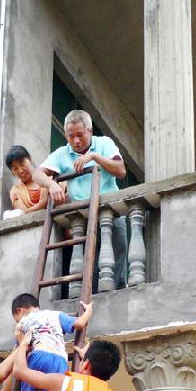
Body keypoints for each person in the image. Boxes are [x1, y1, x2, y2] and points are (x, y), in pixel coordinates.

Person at [33, 110, 128, 289]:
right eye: (71, 136)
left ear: (90, 130)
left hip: (110, 214)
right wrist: (52, 185)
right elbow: (38, 174)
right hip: (83, 219)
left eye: (80, 135)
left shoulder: (104, 143)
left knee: (116, 262)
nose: (76, 141)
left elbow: (121, 170)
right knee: (89, 267)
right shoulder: (62, 154)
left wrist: (93, 157)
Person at [11, 291, 93, 391]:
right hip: (59, 360)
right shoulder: (56, 315)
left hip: (38, 355)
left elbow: (22, 347)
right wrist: (88, 310)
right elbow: (80, 323)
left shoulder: (22, 323)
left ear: (20, 311)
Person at [6, 145, 49, 213]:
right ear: (12, 172)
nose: (20, 171)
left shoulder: (49, 177)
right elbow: (21, 214)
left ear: (30, 159)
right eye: (15, 168)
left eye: (22, 163)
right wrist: (41, 205)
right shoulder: (16, 191)